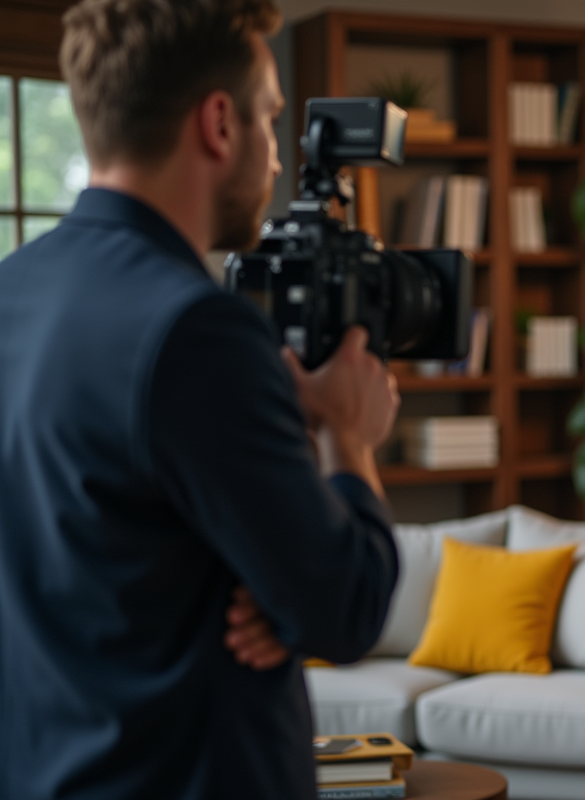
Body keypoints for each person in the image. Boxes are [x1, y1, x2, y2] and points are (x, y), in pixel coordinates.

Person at [0, 1, 401, 798]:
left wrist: (238, 577)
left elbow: (89, 541)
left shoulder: (13, 289)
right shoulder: (198, 330)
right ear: (220, 123)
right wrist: (347, 438)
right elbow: (344, 606)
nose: (280, 159)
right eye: (270, 118)